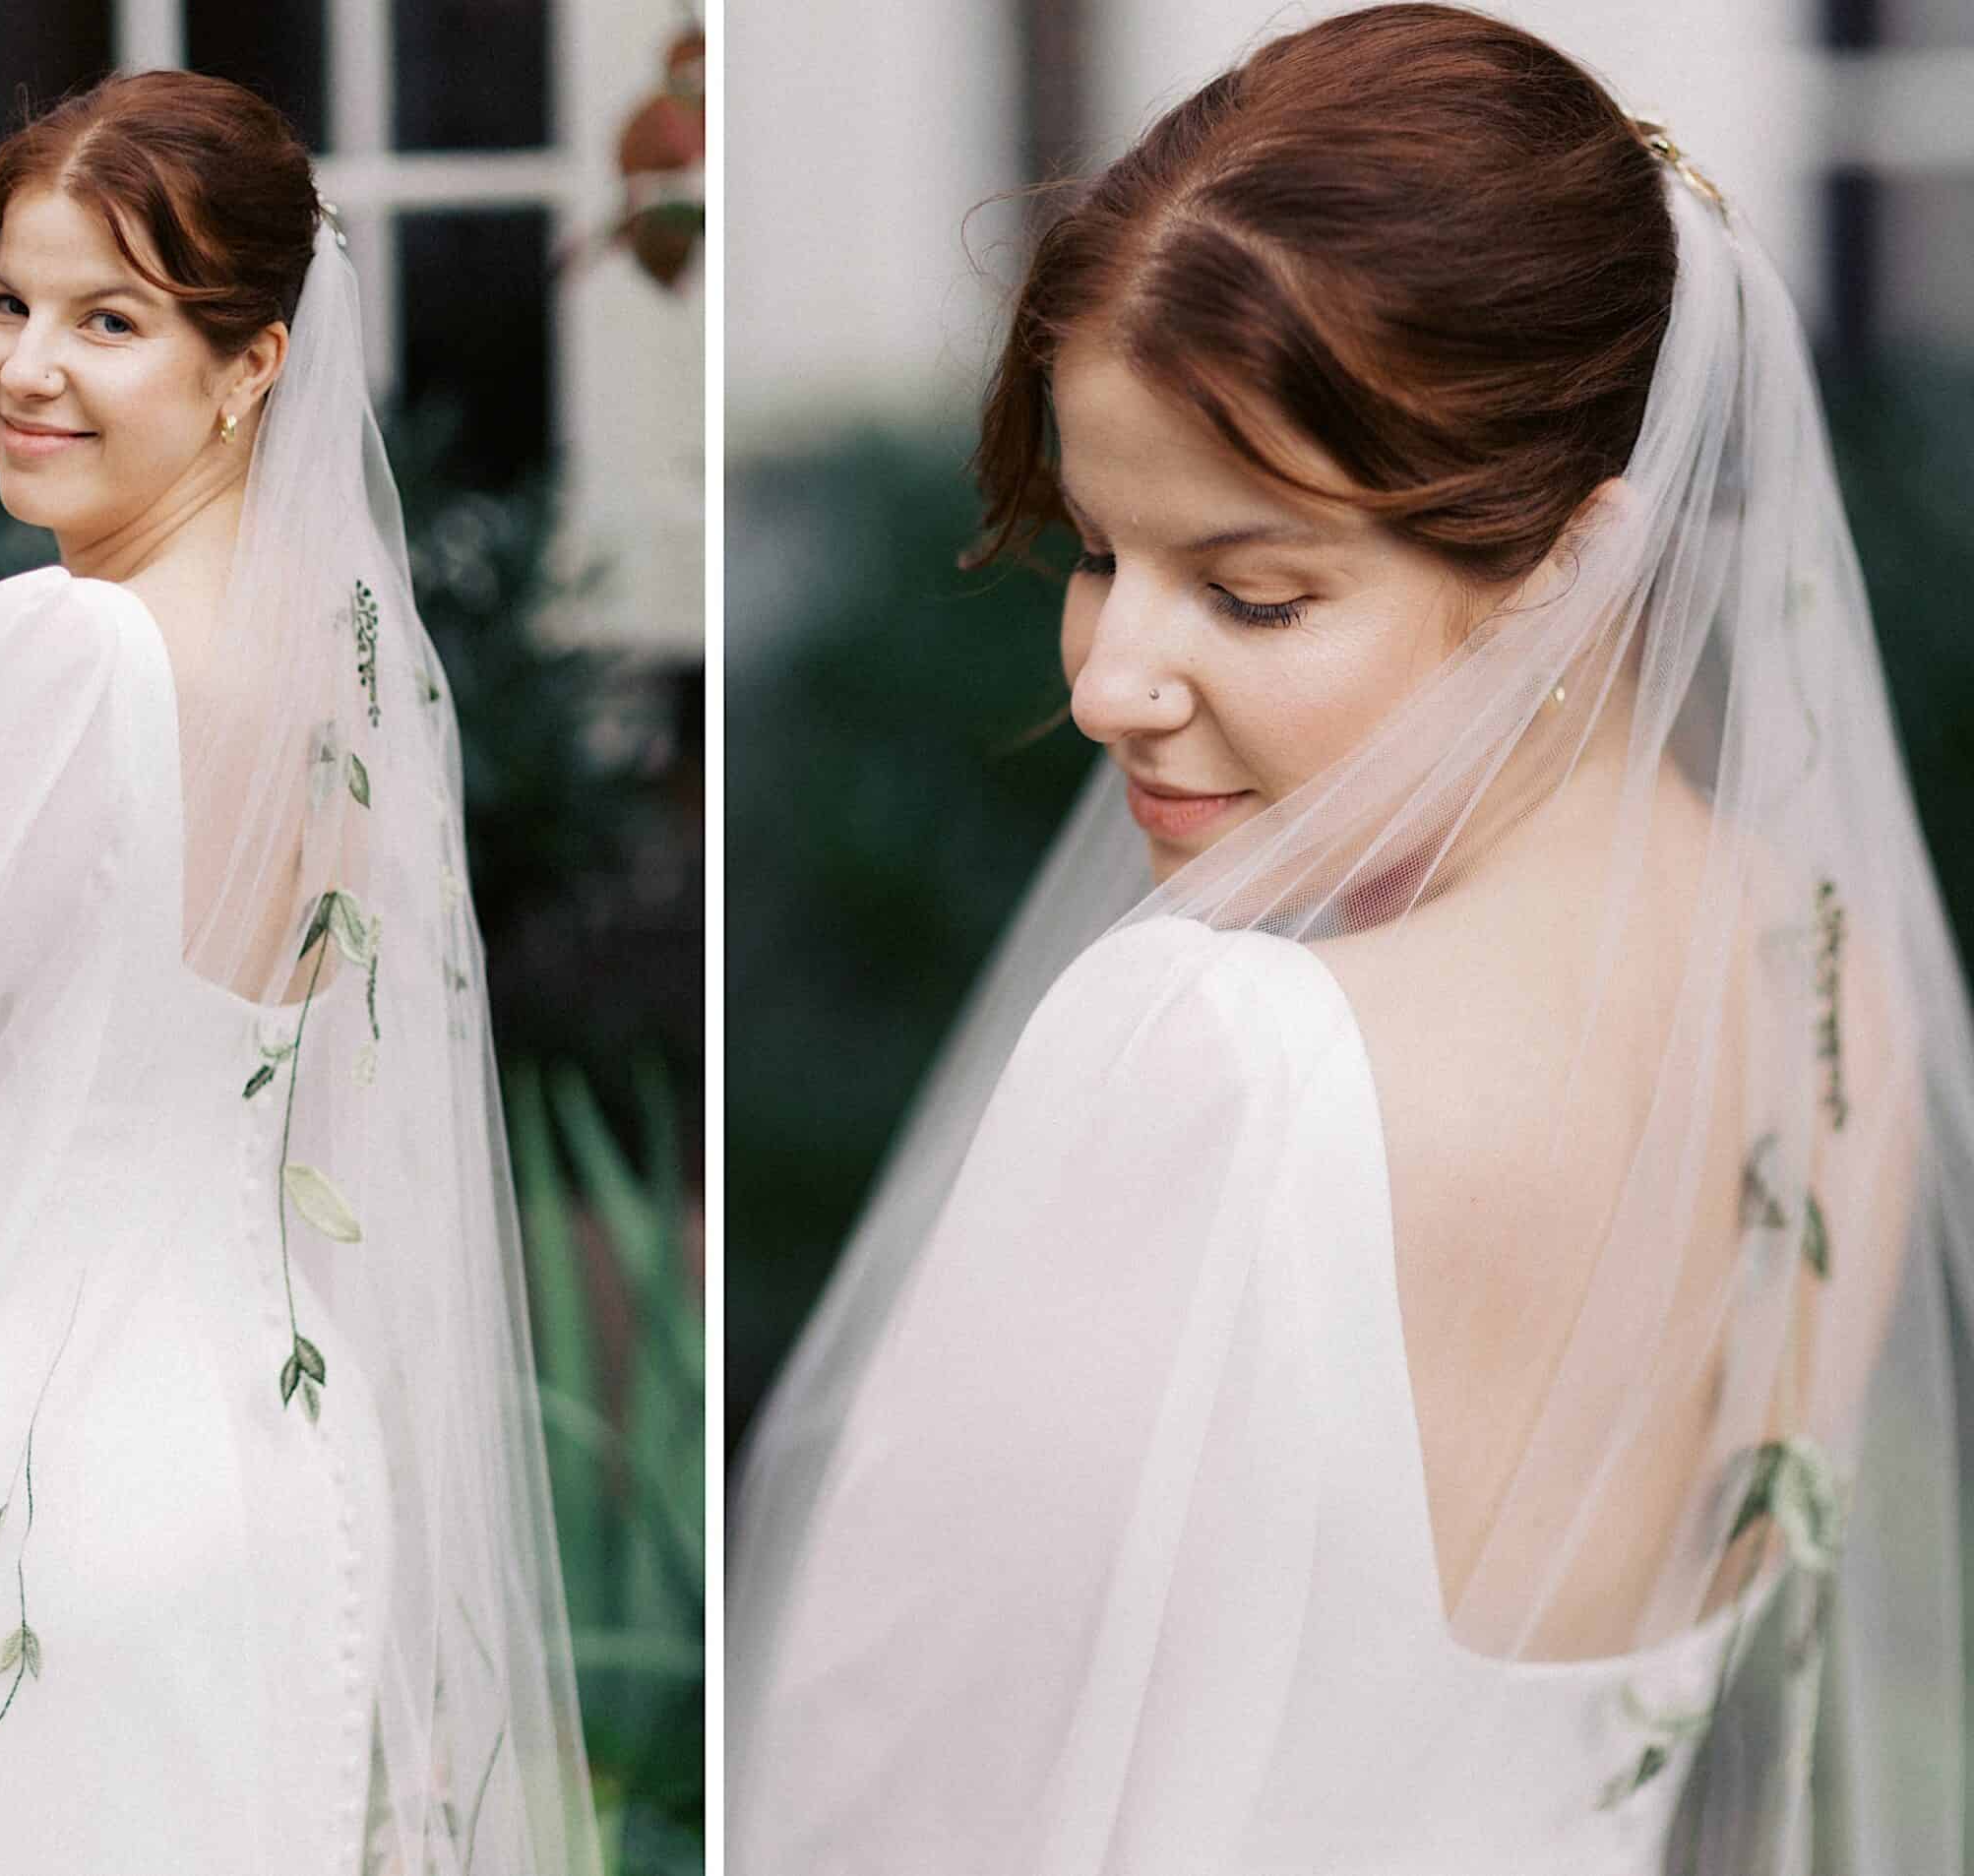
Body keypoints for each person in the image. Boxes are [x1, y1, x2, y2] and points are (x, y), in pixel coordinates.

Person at [728, 7, 1969, 1872]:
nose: (1113, 683)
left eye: (1250, 590)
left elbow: (890, 1795)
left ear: (1576, 562)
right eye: (1094, 552)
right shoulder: (1824, 981)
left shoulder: (1215, 1048)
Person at [0, 70, 598, 1876]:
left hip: (11, 1514)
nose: (22, 366)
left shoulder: (60, 647)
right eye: (5, 302)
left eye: (112, 319)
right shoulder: (361, 663)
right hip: (289, 1489)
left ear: (250, 364)